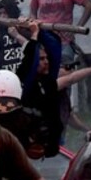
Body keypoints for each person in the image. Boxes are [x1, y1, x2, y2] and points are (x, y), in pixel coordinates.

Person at [16, 19, 64, 157]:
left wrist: (40, 30)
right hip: (33, 146)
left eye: (46, 58)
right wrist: (34, 34)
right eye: (42, 59)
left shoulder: (49, 82)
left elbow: (54, 49)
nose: (46, 62)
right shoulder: (25, 82)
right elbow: (30, 59)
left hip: (50, 147)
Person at [0, 0, 28, 72]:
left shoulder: (24, 28)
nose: (2, 16)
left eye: (5, 13)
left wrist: (17, 36)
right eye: (0, 13)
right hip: (3, 79)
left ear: (12, 12)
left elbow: (34, 50)